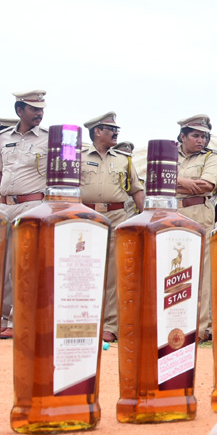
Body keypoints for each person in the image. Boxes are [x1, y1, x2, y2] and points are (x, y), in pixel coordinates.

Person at [81, 111, 145, 342]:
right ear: (97, 131)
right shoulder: (77, 155)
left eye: (117, 129)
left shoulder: (123, 159)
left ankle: (110, 326)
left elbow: (136, 190)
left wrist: (147, 218)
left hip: (116, 215)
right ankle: (84, 321)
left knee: (113, 273)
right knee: (83, 269)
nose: (116, 132)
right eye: (111, 129)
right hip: (84, 216)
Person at [0, 89, 50, 336]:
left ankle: (19, 320)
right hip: (4, 205)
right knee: (1, 265)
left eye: (41, 109)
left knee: (24, 264)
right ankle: (2, 320)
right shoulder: (3, 137)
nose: (39, 113)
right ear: (19, 111)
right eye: (34, 109)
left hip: (33, 205)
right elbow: (2, 171)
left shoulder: (50, 139)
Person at [175, 114, 217, 341]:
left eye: (204, 136)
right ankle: (173, 325)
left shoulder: (210, 157)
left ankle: (201, 329)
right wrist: (189, 183)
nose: (201, 140)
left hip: (200, 214)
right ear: (183, 136)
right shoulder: (170, 155)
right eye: (195, 135)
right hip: (173, 215)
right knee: (174, 270)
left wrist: (176, 180)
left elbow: (208, 184)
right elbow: (157, 181)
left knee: (201, 274)